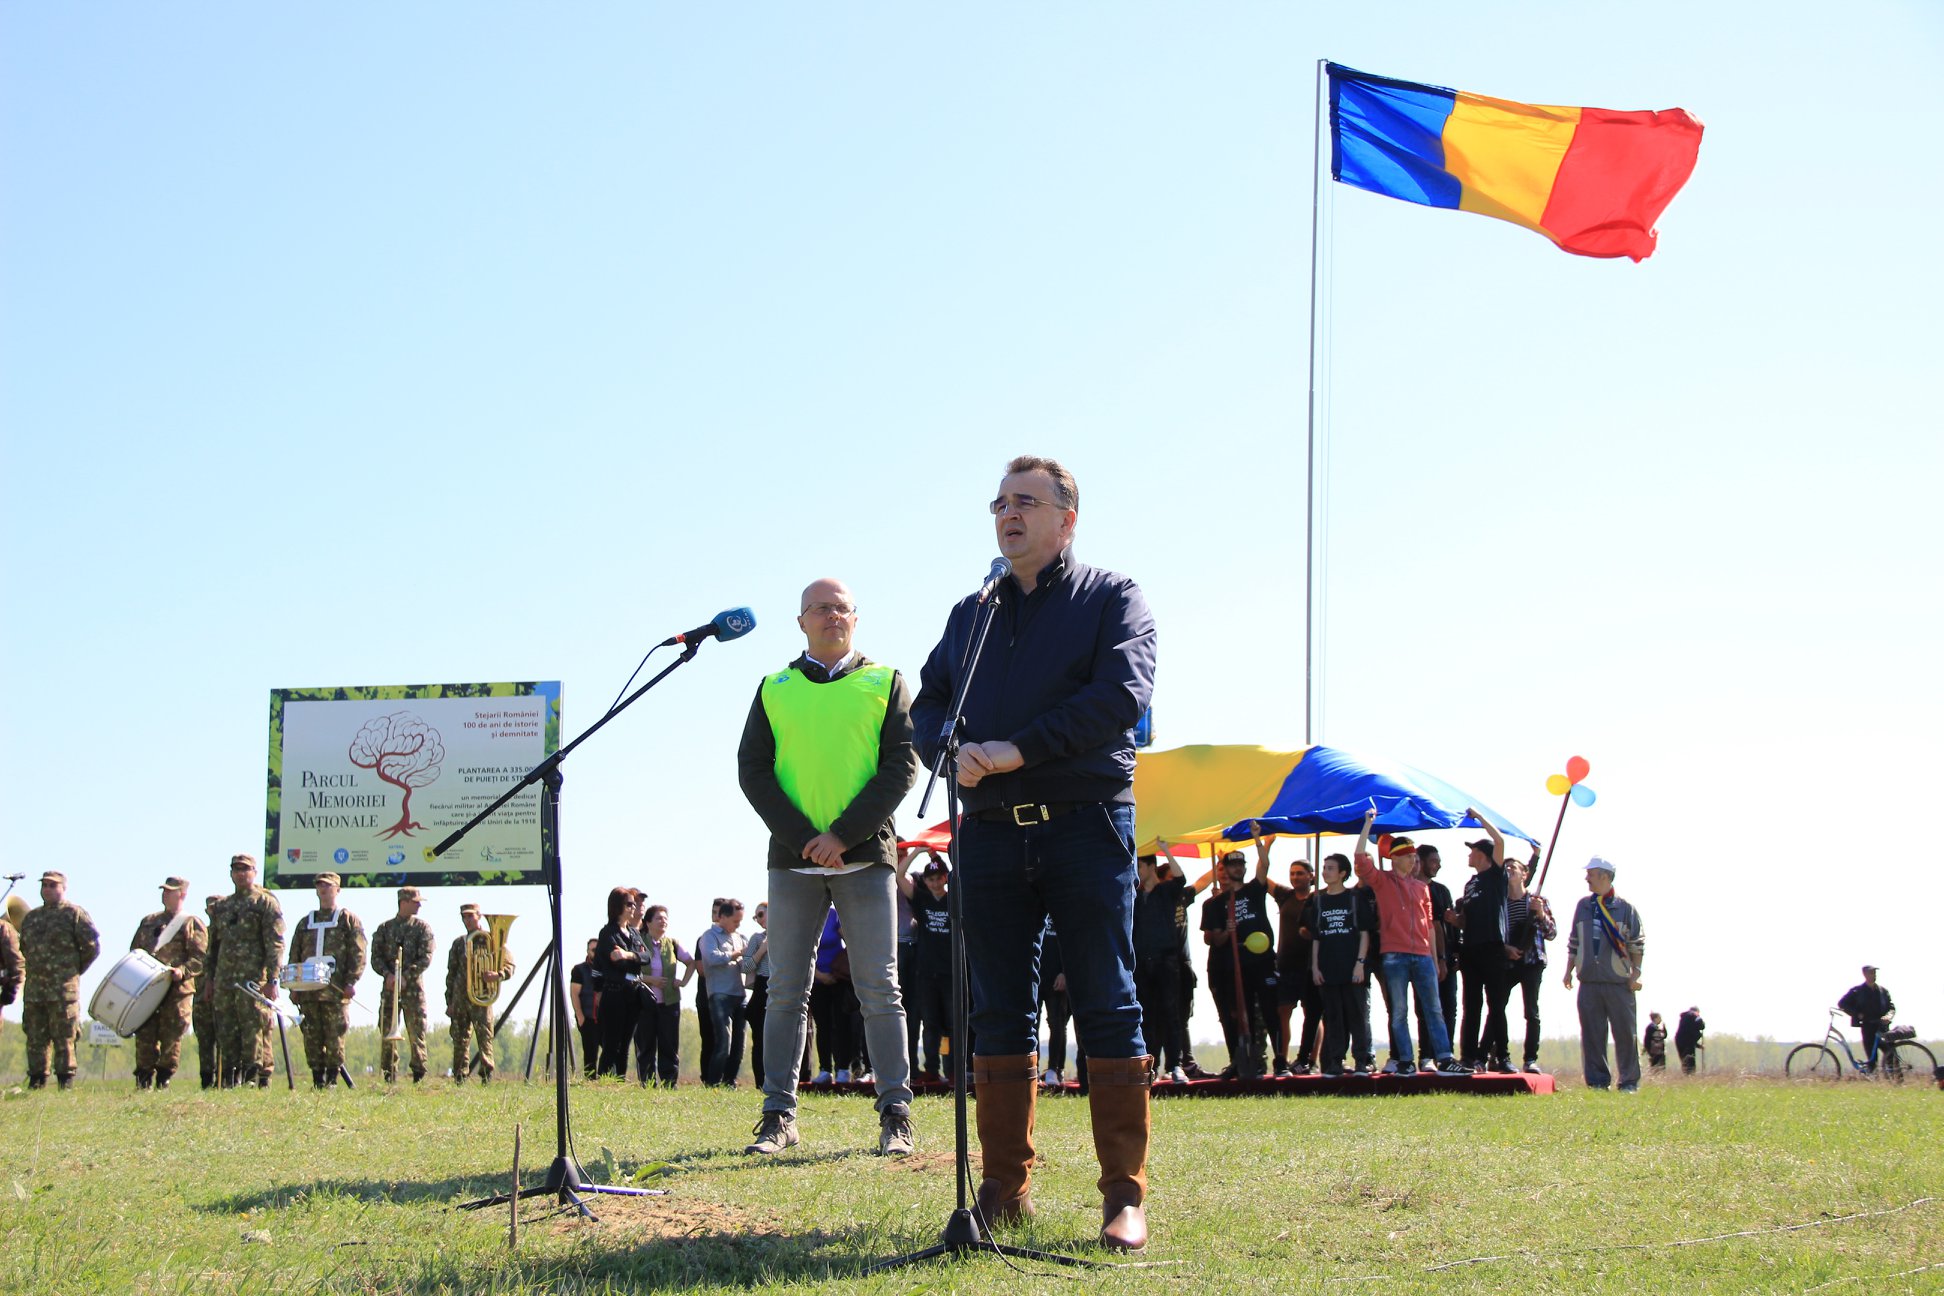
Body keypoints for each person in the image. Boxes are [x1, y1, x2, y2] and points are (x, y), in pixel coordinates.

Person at [911, 454, 1158, 1251]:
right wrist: (951, 756)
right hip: (986, 834)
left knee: (1105, 1000)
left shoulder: (1113, 598)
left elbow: (1122, 695)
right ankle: (1002, 1192)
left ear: (1067, 518)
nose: (1008, 514)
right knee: (997, 1010)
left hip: (1084, 823)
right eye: (999, 503)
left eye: (1026, 502)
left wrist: (1019, 748)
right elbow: (929, 704)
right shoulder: (972, 613)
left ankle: (1124, 1197)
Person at [738, 575, 919, 1157]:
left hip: (865, 857)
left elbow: (901, 766)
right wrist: (805, 838)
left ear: (856, 618)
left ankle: (896, 1114)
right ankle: (777, 1117)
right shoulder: (774, 687)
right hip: (793, 862)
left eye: (841, 609)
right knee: (785, 991)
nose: (832, 617)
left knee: (880, 990)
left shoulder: (886, 682)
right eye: (821, 609)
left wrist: (842, 836)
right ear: (801, 621)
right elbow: (753, 771)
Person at [1353, 824, 1468, 1076]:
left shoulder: (1422, 887)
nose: (1413, 859)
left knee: (1433, 1008)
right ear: (1394, 858)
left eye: (1414, 855)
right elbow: (1360, 861)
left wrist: (1436, 958)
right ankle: (1405, 1060)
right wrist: (1367, 826)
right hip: (1394, 955)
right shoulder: (1382, 881)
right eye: (1408, 855)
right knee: (1399, 1010)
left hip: (1423, 956)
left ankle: (1445, 1059)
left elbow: (1429, 926)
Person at [1563, 857, 1645, 1091]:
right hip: (1588, 980)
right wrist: (1568, 970)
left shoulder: (1625, 908)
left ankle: (1629, 1082)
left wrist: (1635, 973)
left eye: (1591, 873)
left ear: (1605, 877)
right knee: (1592, 1035)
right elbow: (1574, 941)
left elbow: (1637, 943)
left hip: (1618, 982)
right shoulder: (1583, 906)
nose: (1586, 878)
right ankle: (1597, 1082)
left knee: (1625, 1034)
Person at [18, 870, 101, 1090]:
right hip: (35, 990)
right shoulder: (31, 918)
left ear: (63, 888)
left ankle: (65, 1082)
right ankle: (37, 1080)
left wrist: (73, 971)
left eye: (53, 885)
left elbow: (92, 947)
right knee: (35, 1037)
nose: (47, 889)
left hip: (63, 991)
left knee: (64, 1036)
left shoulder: (74, 914)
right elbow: (24, 948)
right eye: (44, 885)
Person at [208, 852, 284, 1088]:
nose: (241, 874)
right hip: (224, 980)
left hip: (253, 979)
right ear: (231, 874)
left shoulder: (265, 903)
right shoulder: (222, 906)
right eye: (236, 870)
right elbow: (213, 947)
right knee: (227, 1028)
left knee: (253, 1027)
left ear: (254, 873)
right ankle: (230, 1078)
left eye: (245, 869)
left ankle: (253, 1076)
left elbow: (275, 943)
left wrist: (273, 979)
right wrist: (209, 979)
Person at [1201, 850, 1277, 1080]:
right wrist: (1227, 931)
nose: (1237, 869)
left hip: (1262, 962)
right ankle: (1243, 1061)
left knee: (1270, 1012)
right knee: (1238, 1017)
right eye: (1232, 865)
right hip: (1233, 966)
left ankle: (1280, 1060)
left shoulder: (1254, 890)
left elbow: (1264, 864)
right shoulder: (1214, 903)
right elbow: (1213, 939)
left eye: (1240, 865)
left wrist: (1260, 840)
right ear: (1223, 870)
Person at [286, 872, 367, 1088]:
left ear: (337, 889)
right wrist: (293, 986)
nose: (323, 889)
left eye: (328, 886)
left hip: (336, 991)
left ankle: (332, 1079)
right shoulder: (305, 922)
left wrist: (351, 981)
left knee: (335, 1035)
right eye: (320, 885)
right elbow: (295, 955)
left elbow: (358, 952)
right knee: (311, 1036)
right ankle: (317, 1079)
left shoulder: (347, 920)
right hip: (308, 991)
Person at [128, 876, 207, 1089]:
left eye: (170, 891)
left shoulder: (191, 923)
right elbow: (134, 952)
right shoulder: (149, 922)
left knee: (172, 1036)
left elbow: (199, 958)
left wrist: (181, 971)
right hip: (148, 989)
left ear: (182, 894)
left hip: (176, 990)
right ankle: (143, 1079)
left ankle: (164, 1079)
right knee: (145, 1033)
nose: (165, 894)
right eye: (163, 890)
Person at [1305, 853, 1377, 1076]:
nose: (1325, 872)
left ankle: (1362, 1060)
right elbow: (1316, 937)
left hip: (1352, 967)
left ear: (1343, 873)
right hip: (1328, 967)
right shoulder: (1317, 900)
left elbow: (1365, 934)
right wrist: (1315, 967)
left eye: (1331, 868)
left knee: (1357, 1016)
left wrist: (1360, 964)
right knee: (1333, 1017)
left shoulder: (1354, 898)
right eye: (1324, 867)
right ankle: (1335, 1061)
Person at [1457, 815, 1515, 1072]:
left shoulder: (1495, 875)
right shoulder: (1470, 884)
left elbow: (1499, 840)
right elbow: (1468, 920)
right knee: (1471, 1006)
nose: (1469, 855)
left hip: (1492, 948)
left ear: (1482, 854)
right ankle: (1468, 1057)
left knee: (1496, 1004)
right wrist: (1455, 920)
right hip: (1470, 949)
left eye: (1472, 851)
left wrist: (1479, 817)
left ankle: (1502, 1056)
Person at [1259, 835, 1320, 1075]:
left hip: (1311, 964)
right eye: (1293, 873)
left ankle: (1310, 1061)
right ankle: (1282, 1058)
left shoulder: (1318, 899)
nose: (1296, 877)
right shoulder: (1284, 895)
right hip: (1285, 963)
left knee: (1312, 1013)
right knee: (1283, 1010)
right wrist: (1267, 845)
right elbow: (1262, 877)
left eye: (1301, 873)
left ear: (1311, 876)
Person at [896, 853, 955, 1083]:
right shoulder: (921, 900)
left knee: (951, 1025)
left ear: (945, 878)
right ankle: (931, 1069)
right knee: (930, 1024)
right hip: (925, 973)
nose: (934, 883)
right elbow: (900, 875)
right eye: (930, 879)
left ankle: (952, 1070)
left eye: (938, 878)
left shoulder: (954, 899)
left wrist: (937, 855)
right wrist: (918, 851)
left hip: (950, 972)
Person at [370, 886, 435, 1084]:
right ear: (404, 902)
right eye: (415, 902)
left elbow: (426, 957)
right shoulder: (384, 929)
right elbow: (376, 958)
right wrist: (388, 974)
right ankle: (390, 1073)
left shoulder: (422, 928)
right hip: (390, 989)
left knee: (417, 1030)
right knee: (387, 1029)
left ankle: (419, 1073)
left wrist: (406, 975)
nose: (419, 906)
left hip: (413, 989)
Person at [447, 903, 513, 1083]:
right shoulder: (459, 943)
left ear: (479, 916)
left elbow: (509, 966)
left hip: (482, 996)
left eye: (470, 916)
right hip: (460, 999)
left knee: (485, 1036)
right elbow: (451, 974)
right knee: (459, 1037)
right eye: (464, 917)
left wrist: (497, 975)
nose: (467, 920)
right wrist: (449, 1002)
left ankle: (487, 1074)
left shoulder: (491, 940)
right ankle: (460, 1075)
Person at [1503, 853, 1554, 1074]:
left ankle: (1530, 1058)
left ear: (1525, 874)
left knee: (1531, 1012)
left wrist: (1541, 914)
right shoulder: (1501, 903)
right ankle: (1495, 1054)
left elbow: (1552, 933)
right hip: (1508, 961)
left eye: (1514, 867)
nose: (1509, 871)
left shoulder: (1536, 901)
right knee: (1497, 1007)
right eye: (1506, 868)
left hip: (1532, 962)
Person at [637, 904, 694, 1085]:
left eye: (665, 918)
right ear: (648, 922)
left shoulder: (673, 944)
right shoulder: (638, 942)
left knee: (669, 1044)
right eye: (658, 918)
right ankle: (647, 1081)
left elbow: (691, 963)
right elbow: (631, 973)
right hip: (644, 1002)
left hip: (669, 1002)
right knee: (646, 1043)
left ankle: (670, 1081)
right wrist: (650, 980)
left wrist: (682, 982)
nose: (663, 921)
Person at [594, 888, 646, 1079]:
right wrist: (632, 959)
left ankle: (619, 1080)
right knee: (611, 1044)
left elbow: (646, 957)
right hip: (614, 993)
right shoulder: (608, 933)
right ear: (617, 907)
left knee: (625, 1044)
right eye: (629, 904)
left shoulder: (633, 932)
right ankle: (604, 1080)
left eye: (634, 904)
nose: (633, 907)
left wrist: (628, 954)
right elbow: (616, 962)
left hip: (632, 994)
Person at [698, 898, 750, 1086]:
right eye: (736, 920)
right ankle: (713, 1082)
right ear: (723, 917)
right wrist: (736, 954)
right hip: (720, 994)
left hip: (740, 994)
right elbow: (711, 958)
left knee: (739, 1044)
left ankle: (731, 1080)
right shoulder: (709, 937)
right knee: (723, 1042)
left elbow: (747, 965)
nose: (738, 924)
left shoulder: (741, 938)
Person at [1416, 844, 1461, 1062]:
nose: (1438, 865)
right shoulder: (1411, 888)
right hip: (1419, 957)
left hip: (1446, 959)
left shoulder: (1441, 891)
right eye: (1434, 861)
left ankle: (1446, 1054)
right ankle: (1425, 1055)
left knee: (1448, 1007)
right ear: (1420, 862)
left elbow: (1446, 926)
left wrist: (1447, 957)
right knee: (1423, 1008)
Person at [193, 893, 224, 1088]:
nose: (213, 911)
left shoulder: (230, 934)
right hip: (202, 994)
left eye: (217, 907)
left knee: (226, 1039)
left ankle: (225, 1079)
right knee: (205, 1040)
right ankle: (206, 1080)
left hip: (224, 993)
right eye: (210, 908)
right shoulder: (201, 934)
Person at [1838, 967, 1895, 1072]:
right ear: (1864, 974)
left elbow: (1891, 1007)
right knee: (1872, 1060)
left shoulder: (1883, 991)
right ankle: (1874, 1080)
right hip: (1868, 1027)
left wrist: (1889, 1016)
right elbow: (1842, 1003)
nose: (1874, 975)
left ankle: (1896, 1080)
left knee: (1891, 1055)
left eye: (1874, 973)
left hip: (1883, 1027)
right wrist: (1857, 1014)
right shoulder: (1857, 991)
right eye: (1871, 973)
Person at [743, 902, 771, 1085]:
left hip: (781, 986)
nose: (758, 920)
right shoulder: (757, 938)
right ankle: (761, 1082)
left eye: (761, 914)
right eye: (756, 917)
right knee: (760, 1039)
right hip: (762, 987)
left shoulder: (787, 934)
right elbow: (745, 967)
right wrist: (762, 950)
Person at [569, 937, 602, 1080]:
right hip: (588, 1017)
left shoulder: (607, 968)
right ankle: (590, 1082)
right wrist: (580, 1016)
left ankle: (608, 1082)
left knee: (611, 1052)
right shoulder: (579, 970)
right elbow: (574, 994)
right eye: (593, 950)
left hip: (605, 1017)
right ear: (588, 951)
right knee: (590, 1054)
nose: (596, 952)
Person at [1674, 1005, 1705, 1074]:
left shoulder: (1685, 1017)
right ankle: (1690, 1076)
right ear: (1696, 1011)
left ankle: (1686, 1076)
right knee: (1690, 1060)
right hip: (1687, 1043)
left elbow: (1689, 1034)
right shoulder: (1693, 1015)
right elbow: (1701, 1026)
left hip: (1679, 1041)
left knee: (1684, 1060)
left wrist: (1698, 1046)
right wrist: (1701, 1021)